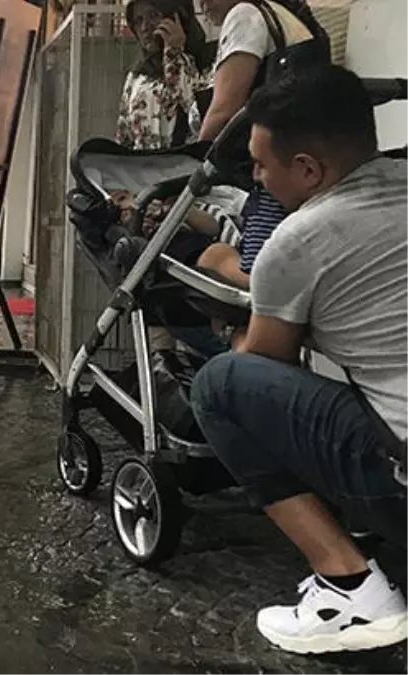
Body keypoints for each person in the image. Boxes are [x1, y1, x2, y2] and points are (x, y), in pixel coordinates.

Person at [191, 65, 408, 655]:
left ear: (309, 169)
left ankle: (350, 590)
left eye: (261, 165)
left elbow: (264, 374)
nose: (256, 176)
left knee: (221, 385)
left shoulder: (297, 241)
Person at [195, 0, 330, 288]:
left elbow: (224, 108)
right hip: (303, 170)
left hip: (273, 175)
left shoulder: (246, 15)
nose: (201, 3)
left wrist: (194, 162)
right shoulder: (288, 19)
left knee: (257, 272)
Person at [116, 0, 213, 150]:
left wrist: (175, 54)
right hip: (144, 169)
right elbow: (124, 138)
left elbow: (196, 113)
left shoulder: (205, 63)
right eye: (138, 20)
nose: (145, 27)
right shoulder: (136, 78)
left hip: (186, 166)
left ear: (177, 18)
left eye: (153, 16)